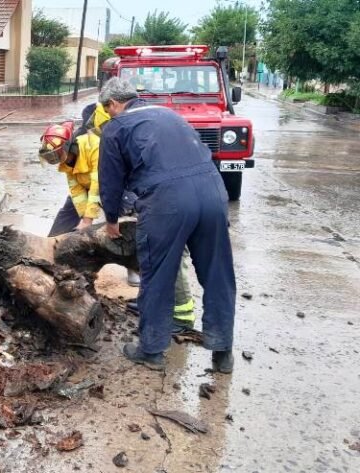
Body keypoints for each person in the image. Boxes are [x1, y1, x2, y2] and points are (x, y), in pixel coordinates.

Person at [97, 77, 236, 373]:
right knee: (218, 273)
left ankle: (151, 350)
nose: (107, 114)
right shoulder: (170, 114)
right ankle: (222, 350)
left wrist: (111, 220)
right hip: (213, 193)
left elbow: (110, 182)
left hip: (169, 203)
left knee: (158, 274)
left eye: (106, 108)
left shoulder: (116, 128)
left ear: (113, 104)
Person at [40, 121, 102, 237]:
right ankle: (52, 243)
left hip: (114, 185)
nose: (54, 160)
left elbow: (97, 185)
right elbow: (77, 191)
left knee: (121, 218)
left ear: (67, 147)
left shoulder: (94, 146)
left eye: (55, 155)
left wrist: (87, 221)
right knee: (66, 216)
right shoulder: (66, 162)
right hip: (88, 185)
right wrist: (84, 217)